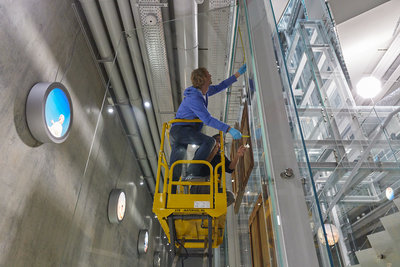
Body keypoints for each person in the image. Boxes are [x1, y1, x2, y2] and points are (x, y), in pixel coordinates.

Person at [169, 64, 247, 191]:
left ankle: (169, 199)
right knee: (209, 141)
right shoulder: (195, 97)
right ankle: (192, 173)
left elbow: (220, 86)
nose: (210, 75)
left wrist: (237, 74)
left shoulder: (203, 92)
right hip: (181, 130)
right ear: (203, 78)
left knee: (176, 166)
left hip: (182, 131)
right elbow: (208, 119)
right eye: (208, 74)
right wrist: (229, 129)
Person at [190, 134, 247, 206]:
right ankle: (203, 204)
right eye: (218, 141)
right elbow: (202, 165)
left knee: (230, 197)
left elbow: (230, 168)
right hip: (200, 186)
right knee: (209, 185)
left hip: (214, 189)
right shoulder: (202, 150)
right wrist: (214, 150)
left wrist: (237, 155)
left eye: (221, 142)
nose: (220, 144)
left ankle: (210, 205)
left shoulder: (220, 156)